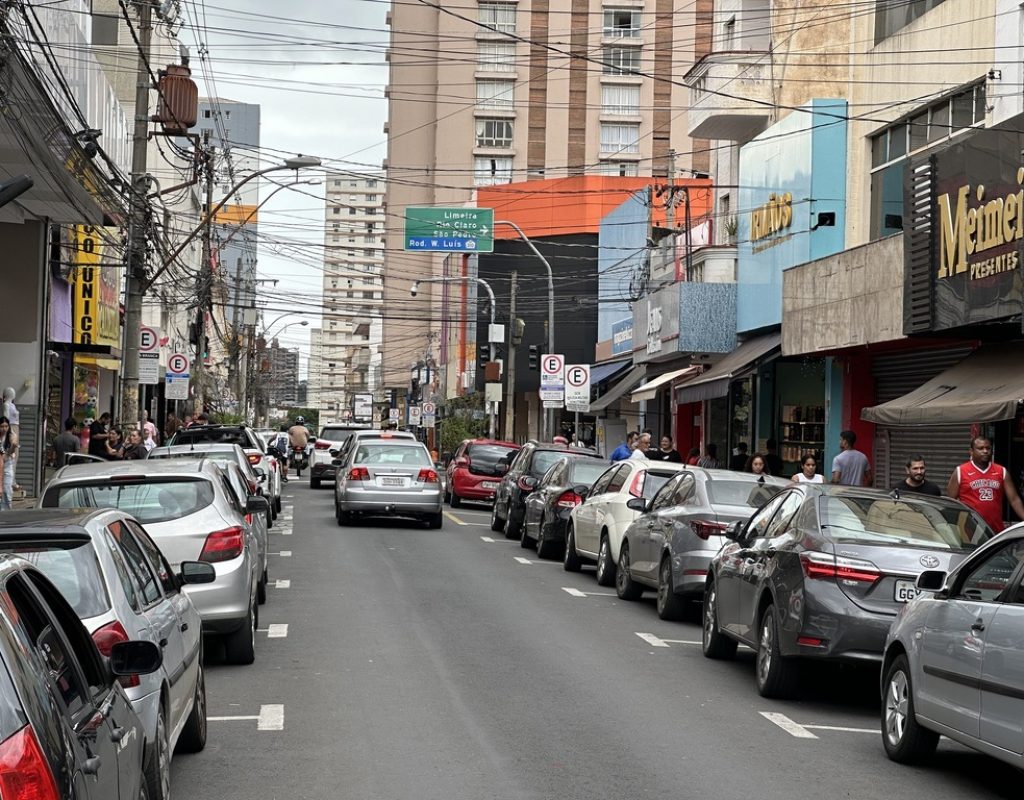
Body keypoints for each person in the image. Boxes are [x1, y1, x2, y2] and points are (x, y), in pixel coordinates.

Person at [946, 436, 1024, 533]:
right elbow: (950, 502)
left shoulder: (1001, 471)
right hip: (970, 528)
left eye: (988, 448)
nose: (985, 451)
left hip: (995, 528)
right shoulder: (960, 471)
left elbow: (1014, 500)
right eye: (980, 448)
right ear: (971, 451)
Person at [0, 417, 17, 510]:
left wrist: (13, 447)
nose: (4, 429)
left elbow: (11, 450)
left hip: (7, 466)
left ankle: (7, 511)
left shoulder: (11, 435)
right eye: (2, 426)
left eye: (6, 426)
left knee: (7, 490)